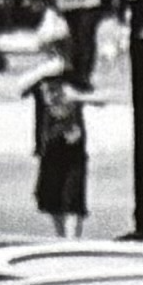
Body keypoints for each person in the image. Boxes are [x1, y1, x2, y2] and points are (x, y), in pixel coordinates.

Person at [23, 17, 88, 236]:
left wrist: (74, 92)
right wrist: (44, 72)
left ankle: (73, 239)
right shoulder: (41, 77)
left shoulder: (73, 74)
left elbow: (89, 92)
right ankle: (62, 237)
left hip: (72, 140)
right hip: (48, 141)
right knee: (50, 195)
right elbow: (21, 87)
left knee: (73, 195)